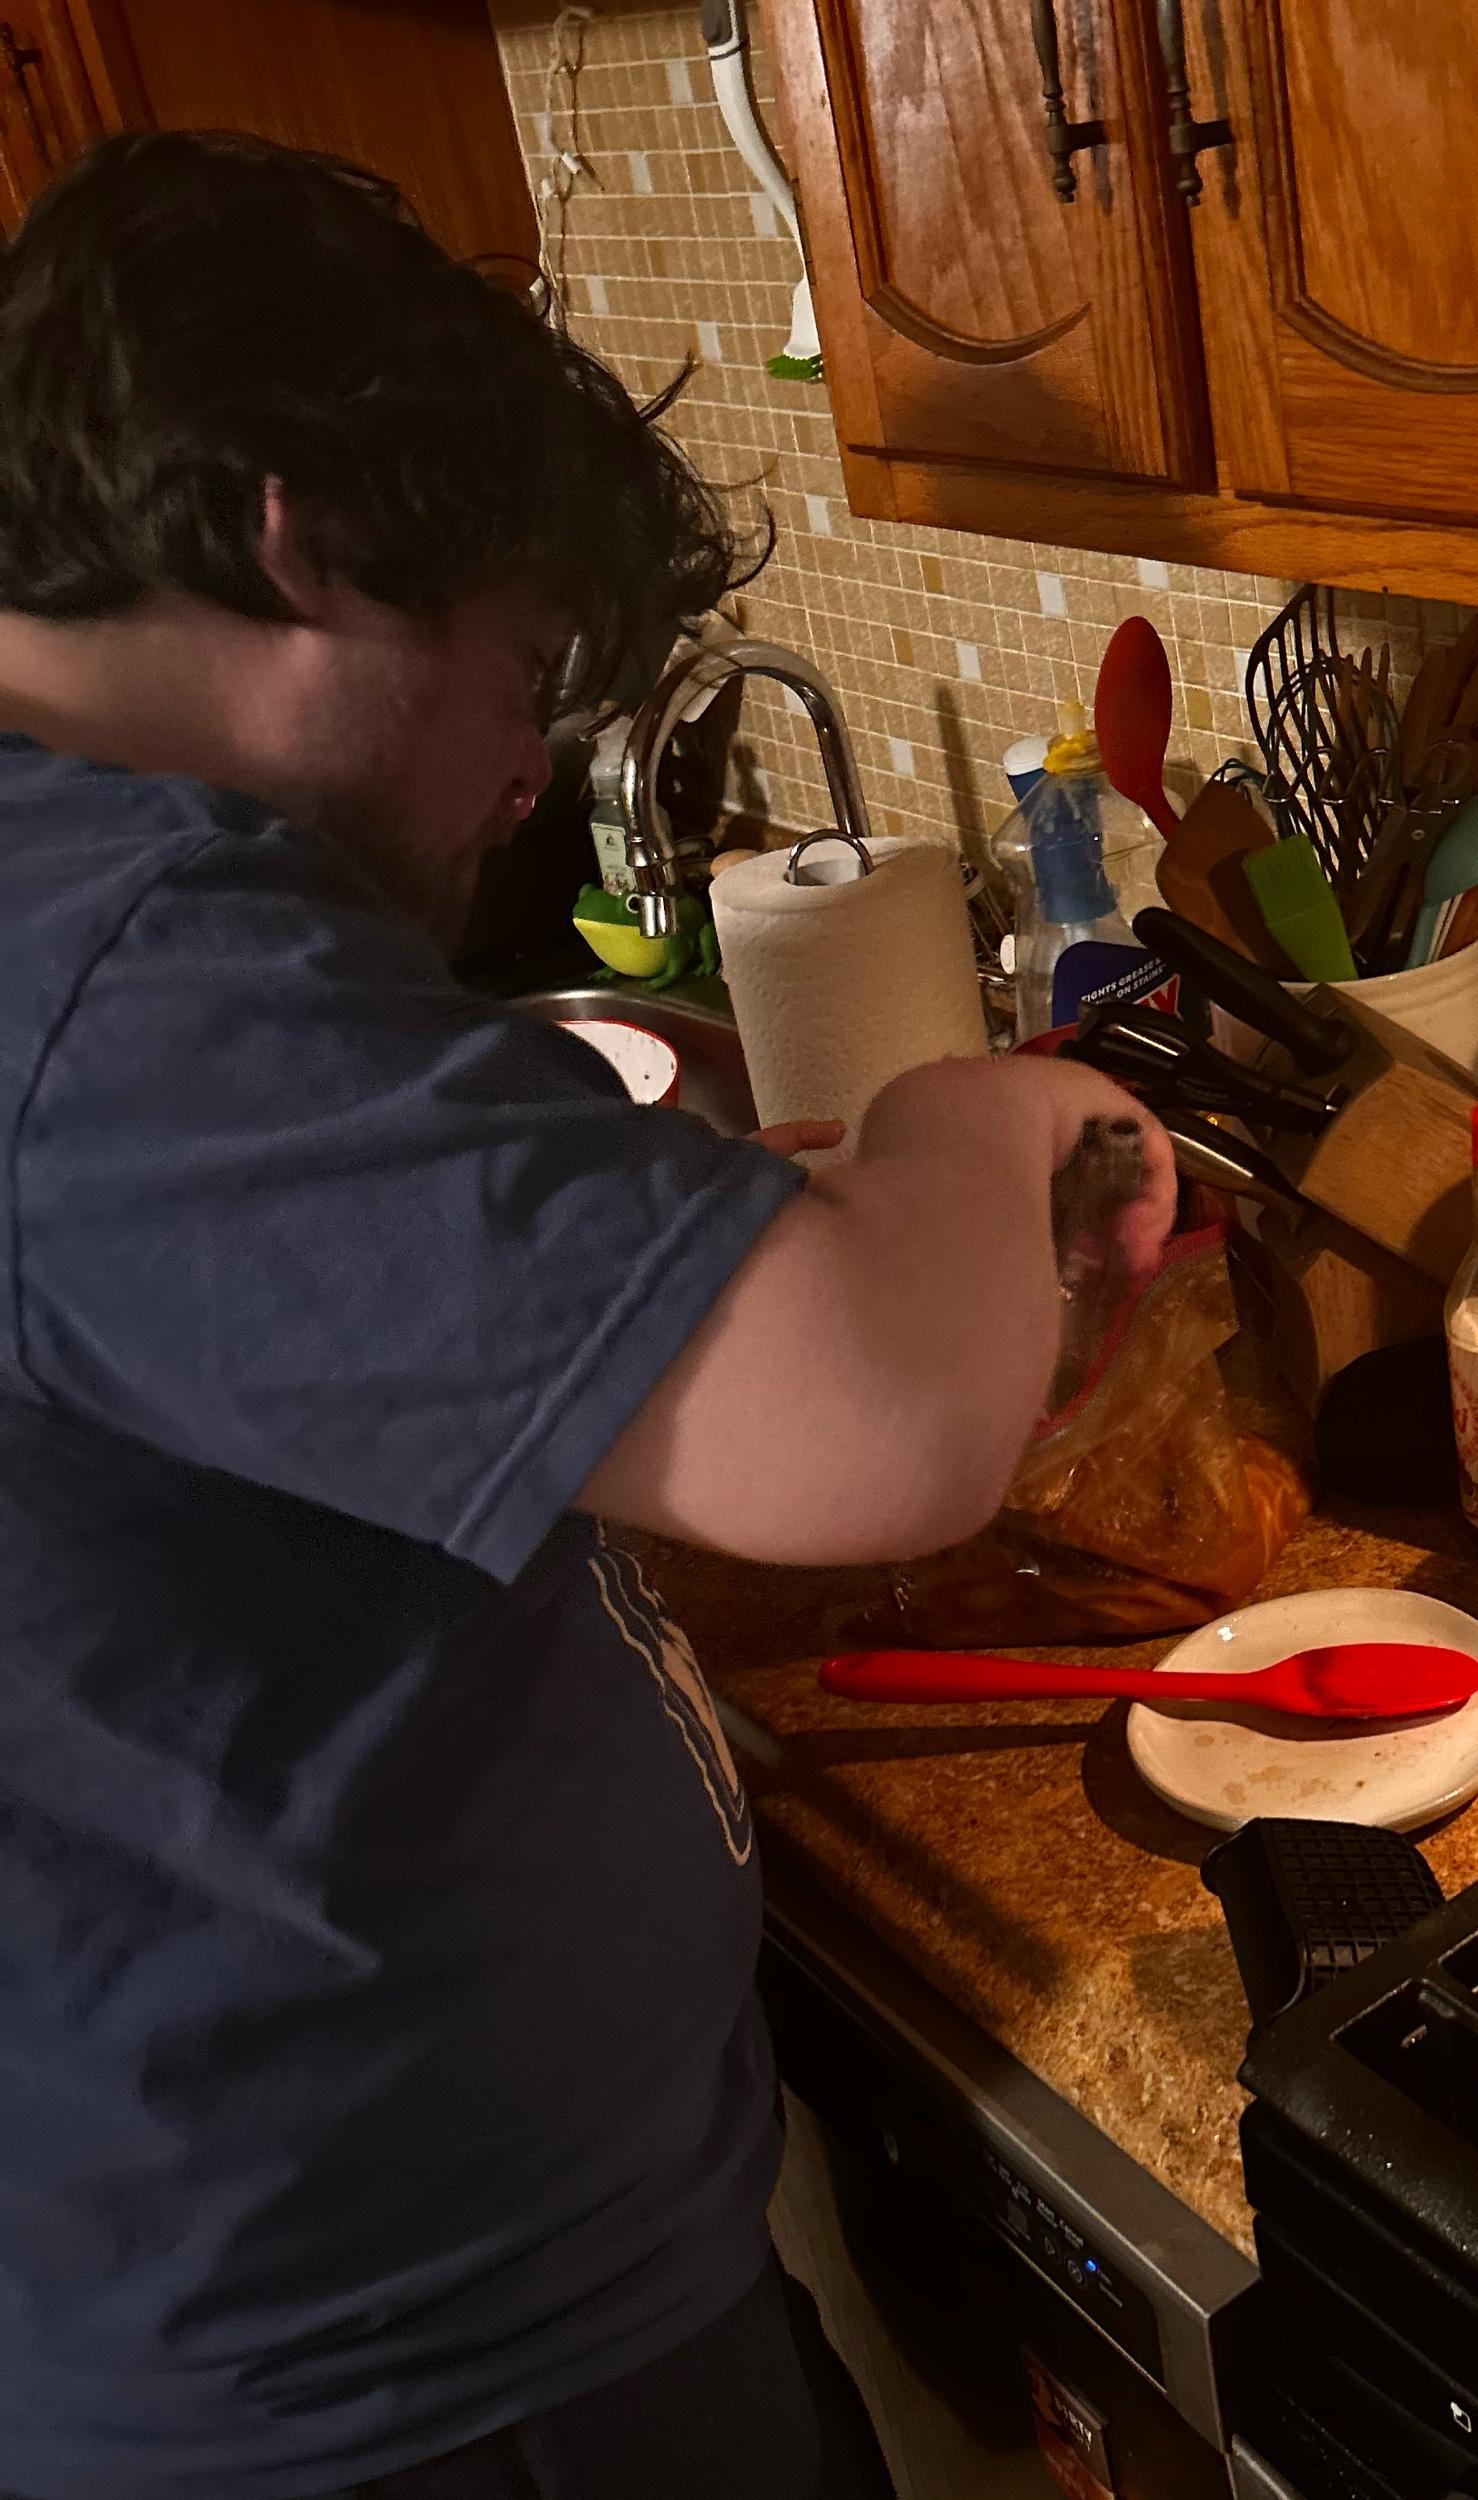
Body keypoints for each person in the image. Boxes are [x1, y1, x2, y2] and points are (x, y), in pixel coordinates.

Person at [0, 132, 1172, 2500]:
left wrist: (719, 1208)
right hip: (402, 2386)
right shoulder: (120, 955)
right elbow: (865, 1428)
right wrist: (965, 1112)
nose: (532, 764)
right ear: (292, 534)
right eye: (518, 673)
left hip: (329, 2293)